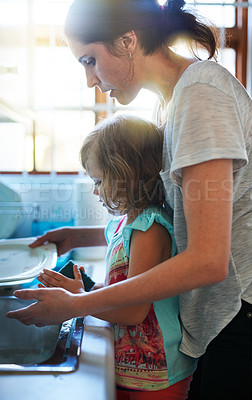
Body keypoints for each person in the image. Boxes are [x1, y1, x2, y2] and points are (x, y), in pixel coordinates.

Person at [6, 1, 252, 399]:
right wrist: (83, 236)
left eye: (90, 60)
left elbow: (208, 259)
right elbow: (170, 218)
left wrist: (76, 305)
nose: (90, 80)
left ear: (128, 41)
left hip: (242, 312)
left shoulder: (200, 96)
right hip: (226, 312)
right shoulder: (174, 103)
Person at [37, 114, 197, 399]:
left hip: (156, 375)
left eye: (98, 180)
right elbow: (122, 290)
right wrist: (85, 289)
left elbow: (133, 311)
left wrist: (77, 302)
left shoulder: (149, 229)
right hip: (135, 368)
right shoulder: (125, 224)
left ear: (126, 175)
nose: (94, 189)